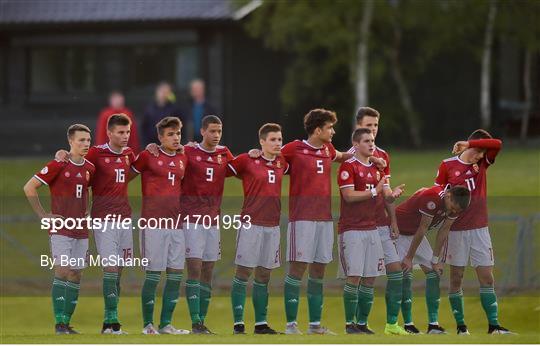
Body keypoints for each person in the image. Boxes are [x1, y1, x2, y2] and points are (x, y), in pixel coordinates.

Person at [146, 115, 234, 334]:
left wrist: (256, 154)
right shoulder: (187, 151)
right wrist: (152, 146)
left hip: (213, 221)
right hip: (190, 220)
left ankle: (201, 322)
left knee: (208, 270)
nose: (216, 135)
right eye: (212, 131)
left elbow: (243, 167)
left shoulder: (224, 154)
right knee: (193, 268)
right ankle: (195, 322)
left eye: (219, 131)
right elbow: (165, 150)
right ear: (202, 131)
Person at [55, 114, 136, 334]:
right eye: (120, 132)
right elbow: (74, 158)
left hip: (125, 219)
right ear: (109, 133)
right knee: (109, 268)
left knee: (118, 271)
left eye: (127, 132)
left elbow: (132, 173)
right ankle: (112, 322)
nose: (125, 136)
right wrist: (60, 153)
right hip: (104, 220)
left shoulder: (129, 154)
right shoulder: (97, 153)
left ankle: (108, 323)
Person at [278, 108, 352, 335]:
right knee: (297, 268)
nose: (333, 131)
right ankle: (291, 326)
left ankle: (314, 326)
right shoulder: (293, 149)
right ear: (318, 129)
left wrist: (365, 153)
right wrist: (254, 152)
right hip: (302, 219)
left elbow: (340, 156)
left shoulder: (328, 149)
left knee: (319, 269)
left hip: (324, 219)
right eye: (329, 127)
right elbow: (270, 157)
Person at [435, 129, 512, 335]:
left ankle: (494, 326)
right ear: (473, 145)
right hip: (456, 230)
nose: (481, 155)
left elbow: (498, 143)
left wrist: (470, 146)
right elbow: (438, 190)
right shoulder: (447, 165)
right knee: (456, 278)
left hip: (480, 229)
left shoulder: (484, 162)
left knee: (487, 277)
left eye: (482, 152)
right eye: (479, 150)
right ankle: (461, 328)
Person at [23, 124, 95, 334]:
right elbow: (29, 187)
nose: (85, 144)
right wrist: (43, 215)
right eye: (81, 140)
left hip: (81, 229)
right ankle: (59, 324)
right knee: (63, 270)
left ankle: (66, 323)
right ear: (70, 142)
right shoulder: (58, 164)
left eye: (88, 140)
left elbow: (88, 191)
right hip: (61, 228)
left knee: (76, 274)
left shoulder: (90, 167)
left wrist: (88, 211)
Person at [338, 128, 407, 335]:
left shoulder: (378, 169)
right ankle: (349, 324)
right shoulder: (348, 166)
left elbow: (384, 194)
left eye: (373, 140)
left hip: (373, 228)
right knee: (355, 276)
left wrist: (391, 195)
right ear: (356, 144)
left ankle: (362, 323)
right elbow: (349, 195)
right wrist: (375, 191)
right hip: (353, 229)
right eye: (366, 141)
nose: (371, 144)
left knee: (370, 277)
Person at [129, 117, 190, 335]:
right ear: (160, 138)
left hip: (176, 225)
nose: (176, 138)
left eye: (178, 134)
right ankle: (148, 325)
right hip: (153, 224)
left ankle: (166, 325)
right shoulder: (148, 155)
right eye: (170, 134)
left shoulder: (184, 155)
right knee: (153, 275)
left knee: (175, 275)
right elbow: (122, 177)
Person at [227, 123, 288, 335]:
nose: (277, 143)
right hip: (250, 224)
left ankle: (261, 323)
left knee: (264, 275)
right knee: (243, 272)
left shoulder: (282, 162)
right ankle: (238, 323)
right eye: (273, 139)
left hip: (272, 226)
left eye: (280, 139)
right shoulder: (248, 160)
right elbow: (222, 168)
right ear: (262, 142)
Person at [396, 185, 471, 334]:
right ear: (448, 196)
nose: (453, 212)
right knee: (406, 272)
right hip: (398, 231)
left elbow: (444, 230)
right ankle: (409, 325)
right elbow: (422, 229)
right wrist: (409, 257)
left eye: (456, 211)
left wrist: (435, 260)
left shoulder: (455, 206)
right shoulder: (432, 197)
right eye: (452, 208)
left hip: (414, 234)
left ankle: (433, 325)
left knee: (434, 273)